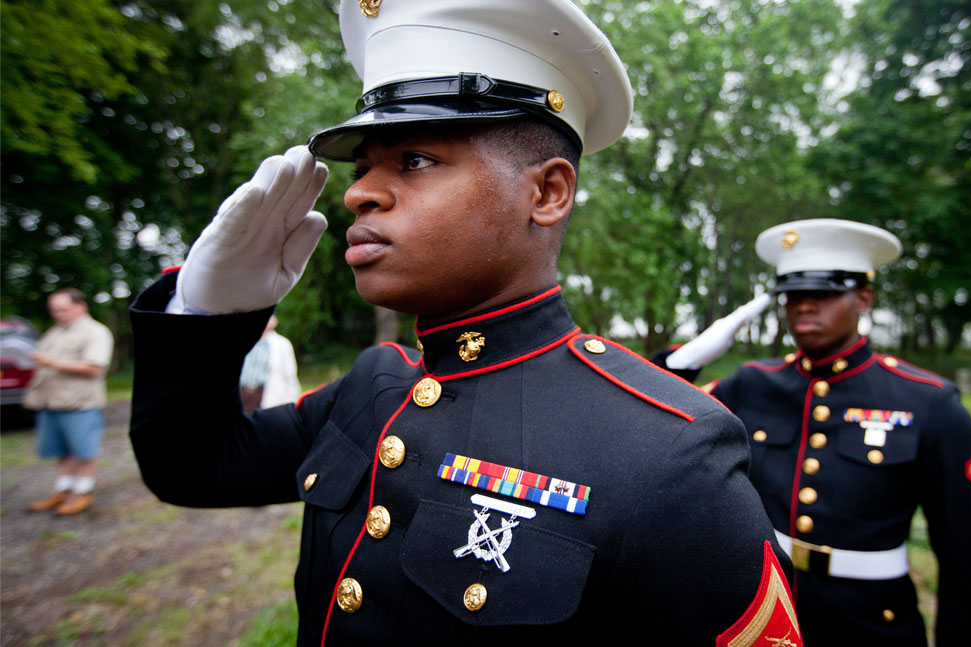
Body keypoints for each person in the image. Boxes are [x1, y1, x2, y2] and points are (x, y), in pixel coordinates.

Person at [127, 1, 803, 645]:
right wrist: (208, 315)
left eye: (414, 160)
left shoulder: (667, 454)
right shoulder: (372, 386)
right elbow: (191, 467)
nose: (359, 191)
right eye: (362, 167)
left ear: (546, 192)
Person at [655, 218, 971, 646]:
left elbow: (965, 558)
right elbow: (665, 418)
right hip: (764, 612)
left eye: (824, 294)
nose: (804, 307)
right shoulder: (752, 384)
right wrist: (685, 359)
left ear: (863, 298)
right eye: (793, 295)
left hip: (870, 620)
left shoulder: (928, 402)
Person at [25, 288, 115, 515]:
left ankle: (82, 492)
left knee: (84, 450)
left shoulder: (95, 332)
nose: (58, 314)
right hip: (51, 402)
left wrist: (50, 362)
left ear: (81, 306)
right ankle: (63, 490)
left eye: (63, 309)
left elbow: (95, 367)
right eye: (54, 310)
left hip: (79, 403)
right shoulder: (55, 332)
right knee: (62, 450)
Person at [240, 315, 302, 413]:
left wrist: (292, 400)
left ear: (275, 321)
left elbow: (290, 375)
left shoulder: (282, 344)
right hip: (242, 394)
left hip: (266, 394)